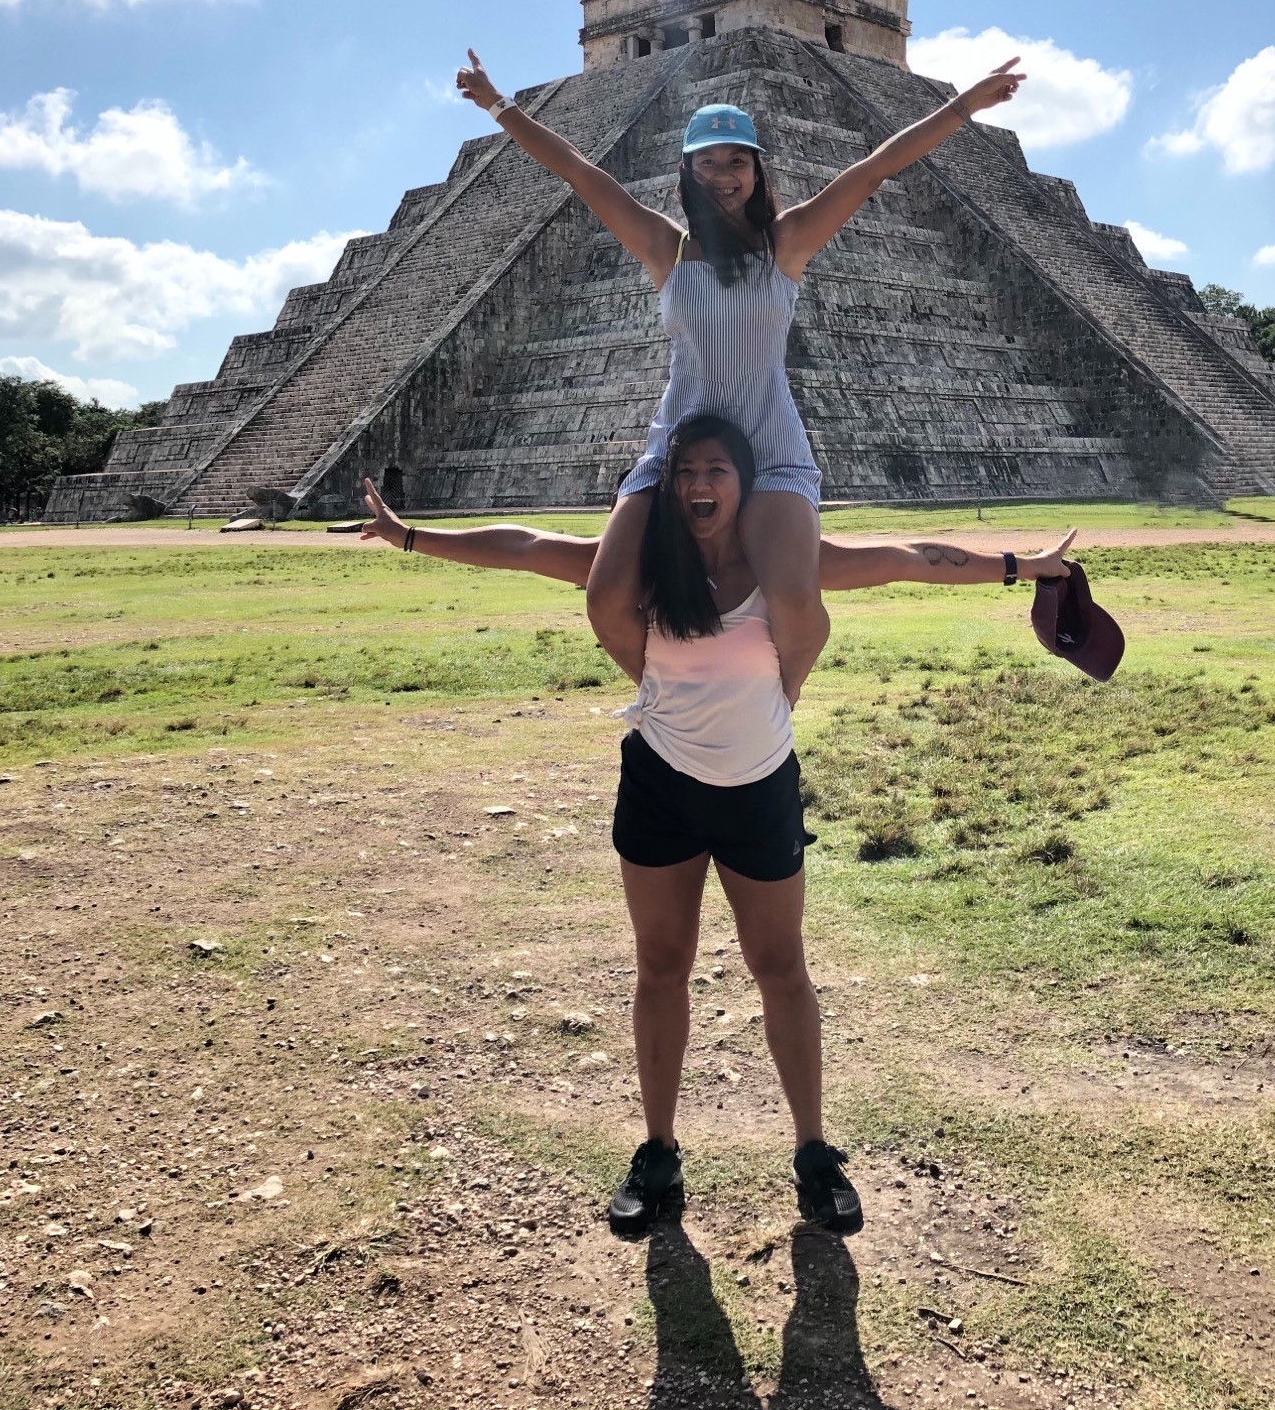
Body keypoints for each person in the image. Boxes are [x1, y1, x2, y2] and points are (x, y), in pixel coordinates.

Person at [361, 416, 1076, 1237]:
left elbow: (910, 559)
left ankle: (814, 1155)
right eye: (686, 470)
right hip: (660, 783)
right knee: (661, 967)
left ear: (745, 484)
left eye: (718, 470)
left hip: (759, 787)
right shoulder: (642, 565)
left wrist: (1021, 568)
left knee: (782, 968)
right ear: (668, 486)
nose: (701, 485)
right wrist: (410, 537)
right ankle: (658, 1152)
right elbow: (527, 545)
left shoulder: (784, 567)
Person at [454, 46, 1027, 708]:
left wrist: (965, 105)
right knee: (606, 596)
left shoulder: (787, 242)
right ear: (688, 172)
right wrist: (499, 105)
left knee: (793, 598)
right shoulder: (661, 245)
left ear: (756, 170)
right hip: (678, 448)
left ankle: (771, 709)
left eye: (736, 160)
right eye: (709, 161)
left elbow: (875, 169)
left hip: (770, 446)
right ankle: (675, 699)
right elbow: (580, 173)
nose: (723, 174)